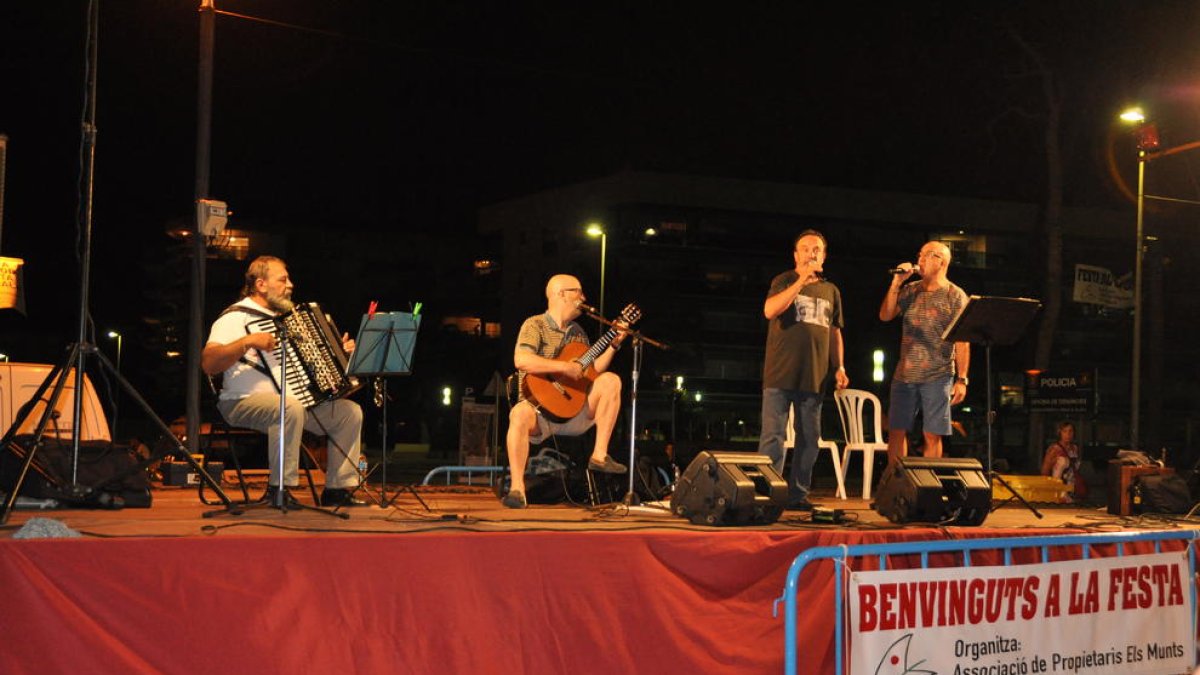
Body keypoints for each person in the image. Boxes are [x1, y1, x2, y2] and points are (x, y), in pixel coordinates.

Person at [201, 255, 366, 508]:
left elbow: (313, 366)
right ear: (261, 284)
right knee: (289, 408)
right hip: (240, 403)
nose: (290, 285)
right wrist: (248, 341)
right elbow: (209, 363)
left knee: (349, 413)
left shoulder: (289, 320)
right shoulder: (235, 318)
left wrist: (340, 355)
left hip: (294, 405)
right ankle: (280, 489)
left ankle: (337, 489)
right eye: (283, 279)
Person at [502, 274, 628, 509]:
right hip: (538, 412)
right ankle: (517, 489)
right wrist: (564, 367)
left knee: (611, 381)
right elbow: (522, 360)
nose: (583, 297)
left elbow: (591, 371)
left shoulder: (578, 331)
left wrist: (613, 345)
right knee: (518, 414)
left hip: (574, 410)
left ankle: (599, 455)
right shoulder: (534, 324)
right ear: (561, 294)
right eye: (578, 292)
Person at [758, 230, 849, 510]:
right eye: (806, 249)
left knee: (810, 438)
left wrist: (840, 366)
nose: (812, 253)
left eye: (817, 249)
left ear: (824, 255)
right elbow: (770, 310)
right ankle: (768, 494)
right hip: (780, 372)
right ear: (796, 255)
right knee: (774, 436)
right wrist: (800, 279)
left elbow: (835, 333)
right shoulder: (784, 280)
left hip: (815, 375)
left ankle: (798, 495)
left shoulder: (831, 290)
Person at [879, 241, 969, 467]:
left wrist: (962, 379)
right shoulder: (911, 290)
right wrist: (896, 284)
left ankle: (928, 486)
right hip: (905, 374)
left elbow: (962, 341)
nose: (920, 260)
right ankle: (896, 485)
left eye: (927, 255)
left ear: (942, 261)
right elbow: (886, 315)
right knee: (897, 430)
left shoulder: (955, 295)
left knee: (932, 433)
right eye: (919, 255)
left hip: (938, 375)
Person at [1041, 420, 1086, 500]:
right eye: (1065, 431)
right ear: (1060, 432)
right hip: (1058, 489)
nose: (1068, 434)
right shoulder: (1054, 449)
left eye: (1070, 431)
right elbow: (1045, 471)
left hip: (1072, 488)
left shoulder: (1075, 448)